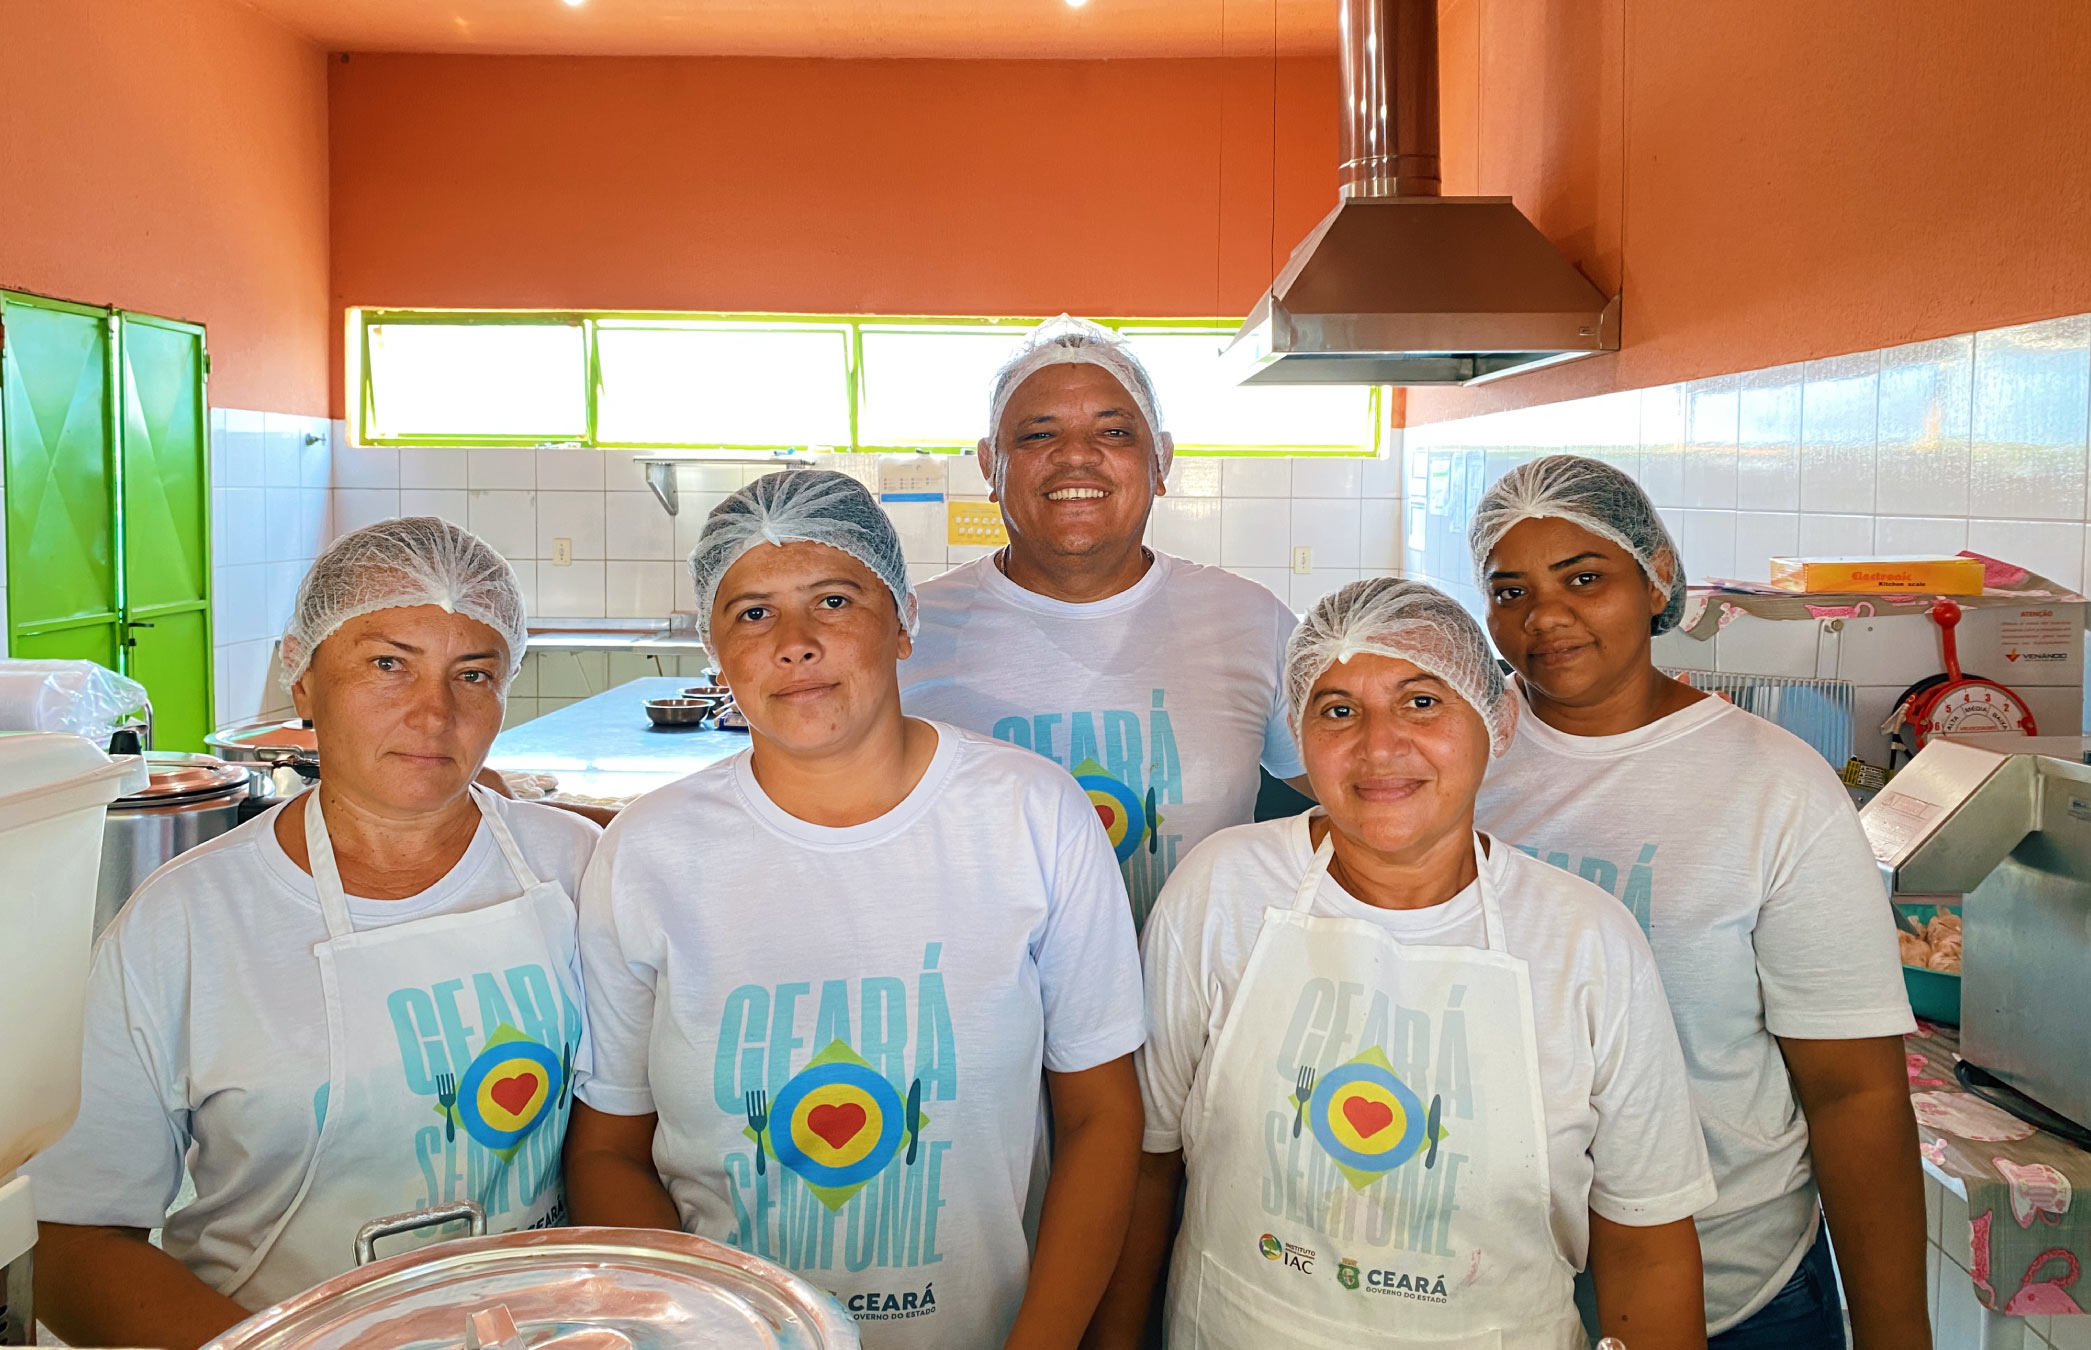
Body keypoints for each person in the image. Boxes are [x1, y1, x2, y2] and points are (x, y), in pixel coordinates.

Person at [564, 470, 1146, 1350]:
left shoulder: (1031, 815)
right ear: (714, 648)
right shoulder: (650, 852)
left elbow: (1100, 1117)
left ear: (904, 621)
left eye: (833, 600)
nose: (794, 643)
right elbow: (607, 1148)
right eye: (752, 612)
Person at [1092, 578, 1716, 1350]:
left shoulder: (1586, 940)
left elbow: (1646, 1242)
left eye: (1422, 702)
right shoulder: (1222, 890)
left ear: (1497, 719)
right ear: (1299, 731)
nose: (1378, 745)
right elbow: (1145, 1168)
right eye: (1337, 709)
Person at [29, 518, 596, 1349]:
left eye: (472, 674)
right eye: (387, 664)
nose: (433, 712)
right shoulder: (188, 922)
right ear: (302, 680)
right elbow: (71, 1240)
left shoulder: (577, 869)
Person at [1467, 455, 1927, 1349]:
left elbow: (1852, 1093)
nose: (1544, 617)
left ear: (1657, 577)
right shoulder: (1456, 759)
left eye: (1584, 578)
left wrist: (1893, 1328)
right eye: (1509, 590)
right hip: (1498, 1286)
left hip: (1735, 1291)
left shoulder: (1770, 784)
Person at [901, 316, 1310, 931]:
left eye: (1114, 432)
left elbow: (1350, 796)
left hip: (1195, 1014)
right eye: (1038, 436)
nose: (1076, 457)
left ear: (1161, 461)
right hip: (986, 1020)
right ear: (990, 466)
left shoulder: (1250, 621)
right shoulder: (909, 633)